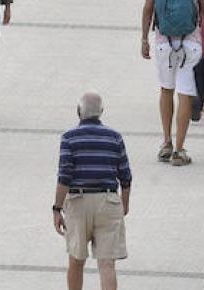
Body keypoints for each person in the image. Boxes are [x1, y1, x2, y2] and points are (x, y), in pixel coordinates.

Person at [140, 0, 204, 166]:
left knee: (166, 90)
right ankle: (180, 150)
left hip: (163, 41)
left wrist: (144, 38)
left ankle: (166, 142)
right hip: (190, 42)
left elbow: (148, 8)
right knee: (185, 93)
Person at [52, 91, 132, 290]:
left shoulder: (69, 138)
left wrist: (57, 208)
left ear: (78, 112)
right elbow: (126, 176)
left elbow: (64, 177)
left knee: (76, 261)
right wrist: (124, 205)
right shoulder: (114, 137)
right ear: (101, 112)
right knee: (106, 264)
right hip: (108, 201)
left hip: (79, 203)